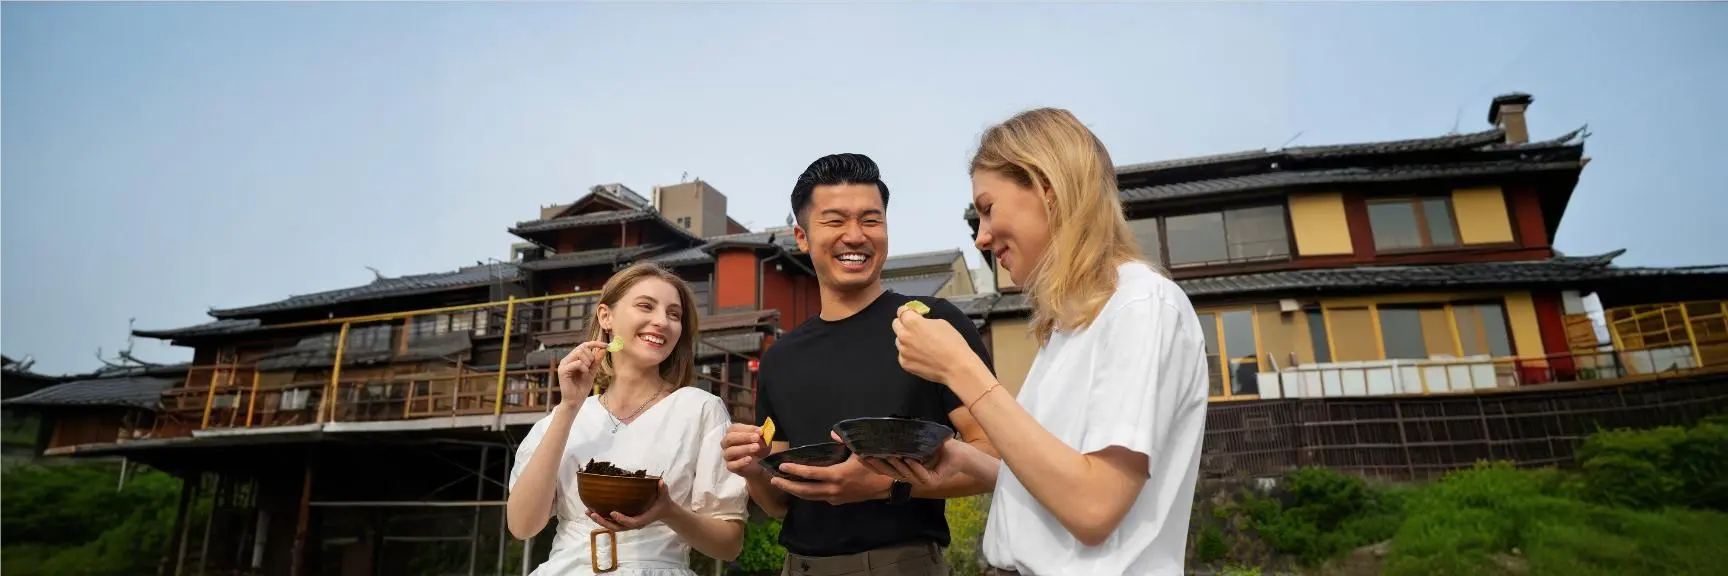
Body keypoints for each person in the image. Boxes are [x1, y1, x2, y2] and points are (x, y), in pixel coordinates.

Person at [880, 108, 1210, 575]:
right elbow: (1063, 485)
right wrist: (967, 460)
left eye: (988, 209)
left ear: (1047, 187)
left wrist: (959, 369)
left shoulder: (1141, 305)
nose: (981, 237)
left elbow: (1093, 506)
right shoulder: (1073, 324)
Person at [719, 153, 999, 576]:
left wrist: (887, 486)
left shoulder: (931, 324)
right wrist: (752, 469)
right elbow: (781, 503)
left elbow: (993, 456)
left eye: (871, 220)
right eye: (835, 221)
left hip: (901, 565)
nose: (855, 236)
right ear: (802, 237)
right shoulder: (779, 358)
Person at [507, 262, 748, 576]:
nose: (661, 321)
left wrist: (668, 512)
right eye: (646, 306)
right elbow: (522, 525)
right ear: (605, 317)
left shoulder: (700, 409)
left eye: (674, 314)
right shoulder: (563, 417)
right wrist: (568, 406)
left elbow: (729, 545)